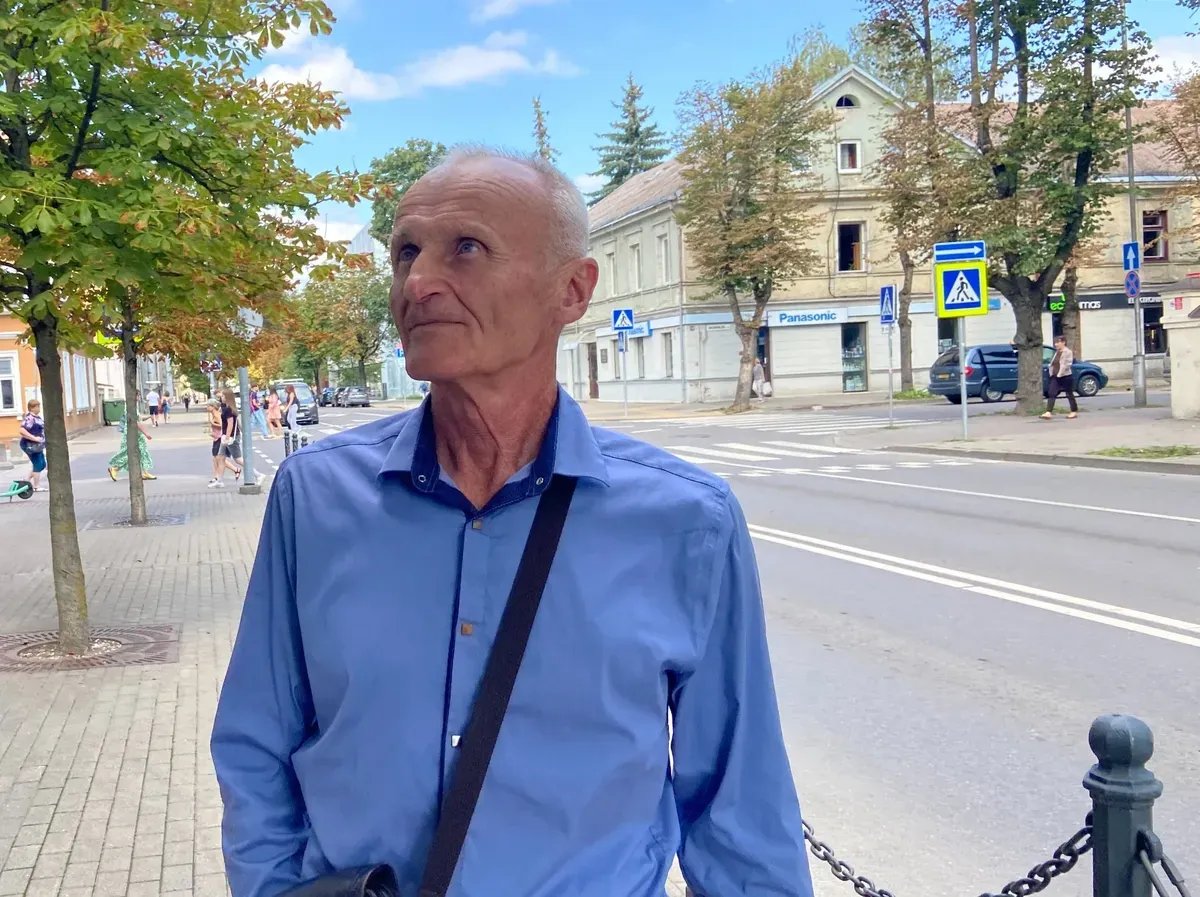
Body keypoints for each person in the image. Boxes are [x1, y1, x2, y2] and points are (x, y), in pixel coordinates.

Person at [211, 148, 811, 897]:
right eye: (406, 252)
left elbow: (738, 806)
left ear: (572, 290)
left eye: (466, 247)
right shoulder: (315, 498)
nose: (418, 282)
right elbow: (256, 742)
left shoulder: (688, 522)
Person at [107, 415, 156, 481]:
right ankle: (115, 468)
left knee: (140, 453)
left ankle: (144, 472)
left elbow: (139, 418)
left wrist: (149, 417)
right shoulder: (131, 410)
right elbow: (136, 422)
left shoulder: (131, 409)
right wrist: (146, 434)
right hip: (134, 434)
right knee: (133, 453)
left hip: (133, 433)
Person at [1043, 334, 1078, 420]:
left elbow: (1066, 365)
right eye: (1055, 343)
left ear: (1063, 342)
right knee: (1052, 393)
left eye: (1058, 342)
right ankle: (1048, 412)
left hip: (1065, 376)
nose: (1056, 344)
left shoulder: (1068, 352)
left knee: (1069, 393)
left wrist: (1060, 374)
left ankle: (1073, 411)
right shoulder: (1057, 352)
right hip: (1055, 376)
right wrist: (1051, 372)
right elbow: (1053, 363)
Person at [17, 399, 46, 493]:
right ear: (32, 408)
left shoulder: (37, 417)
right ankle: (36, 486)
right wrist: (34, 438)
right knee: (38, 464)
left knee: (42, 464)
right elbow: (22, 430)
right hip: (31, 446)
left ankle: (26, 480)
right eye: (37, 406)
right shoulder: (30, 418)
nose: (39, 408)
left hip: (38, 446)